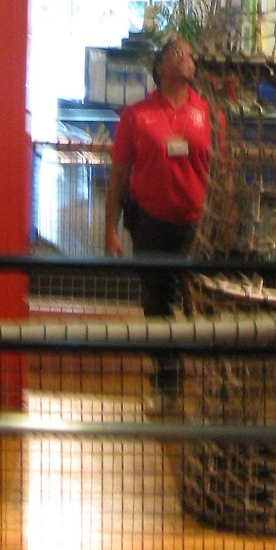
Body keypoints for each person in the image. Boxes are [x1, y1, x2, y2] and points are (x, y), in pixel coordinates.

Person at [104, 37, 211, 406]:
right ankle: (165, 384)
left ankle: (206, 386)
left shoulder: (208, 114)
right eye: (177, 53)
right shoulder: (136, 116)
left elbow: (221, 171)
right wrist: (111, 229)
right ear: (160, 66)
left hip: (197, 227)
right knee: (156, 306)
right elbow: (120, 176)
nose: (186, 59)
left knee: (200, 304)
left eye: (190, 54)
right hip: (150, 224)